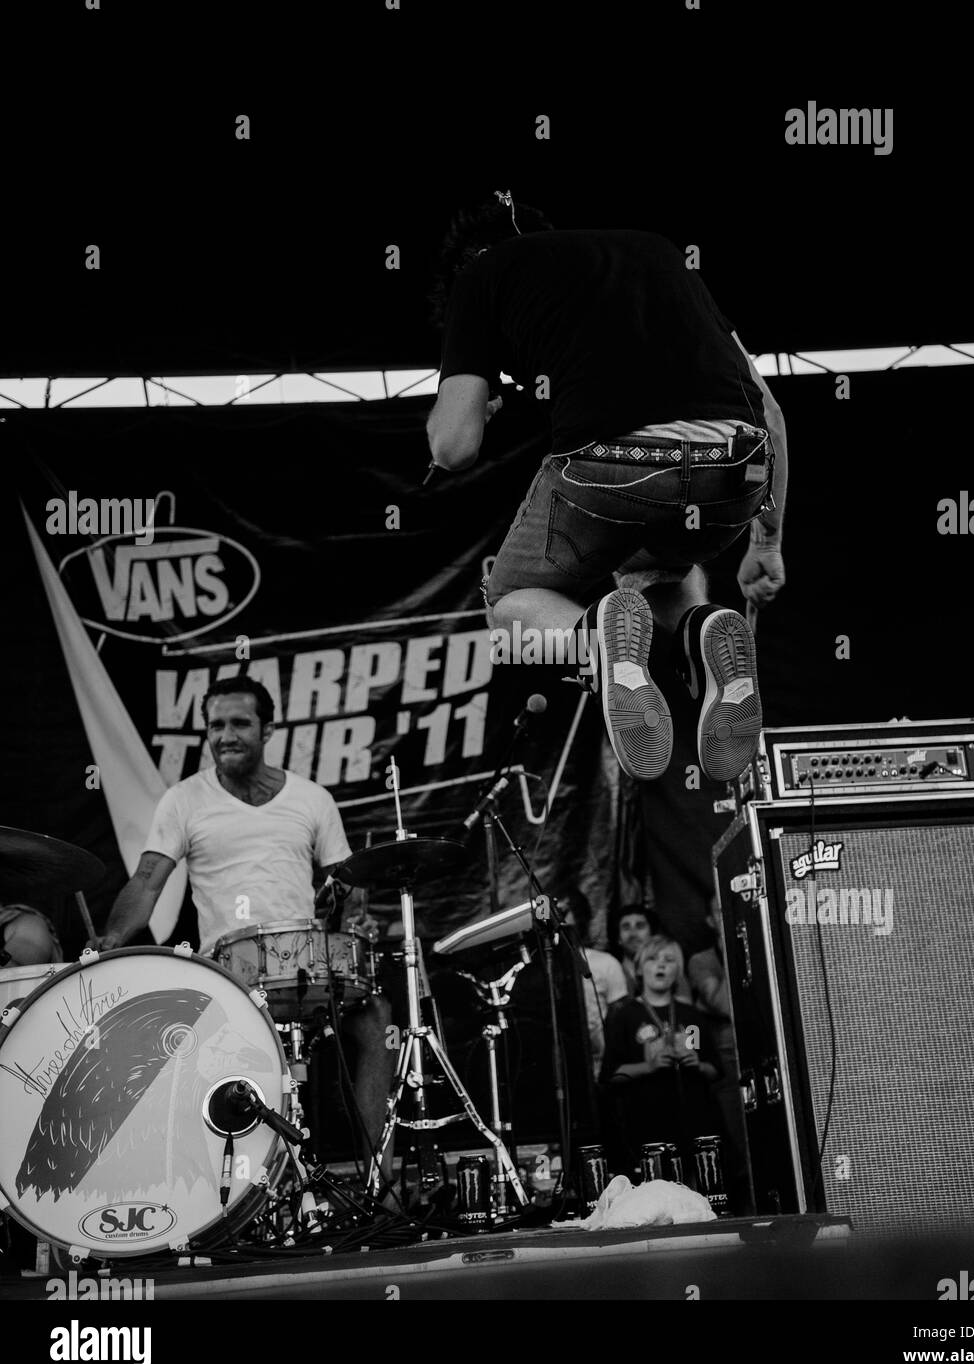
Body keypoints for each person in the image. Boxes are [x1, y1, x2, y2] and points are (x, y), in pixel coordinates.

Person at [427, 195, 787, 786]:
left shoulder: (480, 273)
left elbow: (451, 446)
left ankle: (597, 635)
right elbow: (770, 410)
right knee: (653, 567)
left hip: (614, 468)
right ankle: (701, 629)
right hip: (737, 467)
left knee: (510, 604)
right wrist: (767, 545)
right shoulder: (659, 251)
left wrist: (480, 393)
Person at [98, 674, 396, 1184]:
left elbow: (345, 879)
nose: (226, 735)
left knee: (377, 1019)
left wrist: (351, 902)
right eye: (216, 725)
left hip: (305, 968)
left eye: (240, 723)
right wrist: (108, 941)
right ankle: (222, 1192)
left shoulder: (311, 799)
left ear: (268, 730)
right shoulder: (183, 800)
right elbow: (148, 881)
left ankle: (380, 1183)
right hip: (228, 975)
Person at [599, 934, 725, 1178]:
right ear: (639, 968)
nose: (661, 965)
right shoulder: (624, 1016)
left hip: (693, 1122)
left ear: (678, 970)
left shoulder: (691, 1015)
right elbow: (610, 1076)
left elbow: (716, 1070)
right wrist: (649, 1066)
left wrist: (697, 1064)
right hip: (645, 1125)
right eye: (653, 959)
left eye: (669, 959)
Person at [555, 886, 628, 1078]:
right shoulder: (538, 968)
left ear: (580, 915)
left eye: (563, 911)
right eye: (552, 911)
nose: (557, 918)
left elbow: (619, 1019)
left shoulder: (605, 963)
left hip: (600, 1067)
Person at [608, 901, 691, 1001]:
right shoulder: (610, 972)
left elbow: (685, 1009)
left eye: (640, 926)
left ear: (652, 935)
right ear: (618, 939)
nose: (633, 933)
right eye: (626, 927)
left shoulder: (669, 970)